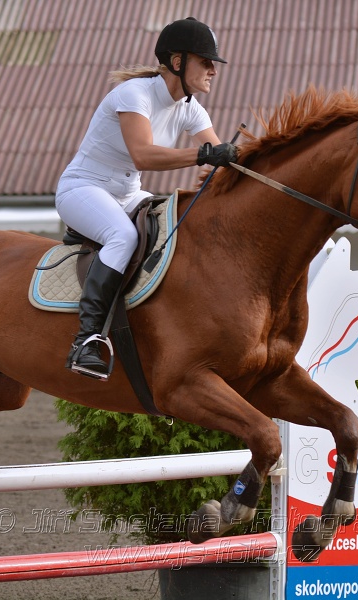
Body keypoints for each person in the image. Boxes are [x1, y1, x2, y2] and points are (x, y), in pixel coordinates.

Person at [56, 17, 238, 379]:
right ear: (177, 62)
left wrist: (231, 160)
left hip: (127, 194)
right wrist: (203, 155)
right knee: (123, 236)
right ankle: (87, 340)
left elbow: (217, 152)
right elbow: (144, 156)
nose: (213, 71)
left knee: (174, 222)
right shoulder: (134, 94)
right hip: (82, 188)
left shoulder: (190, 107)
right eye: (206, 62)